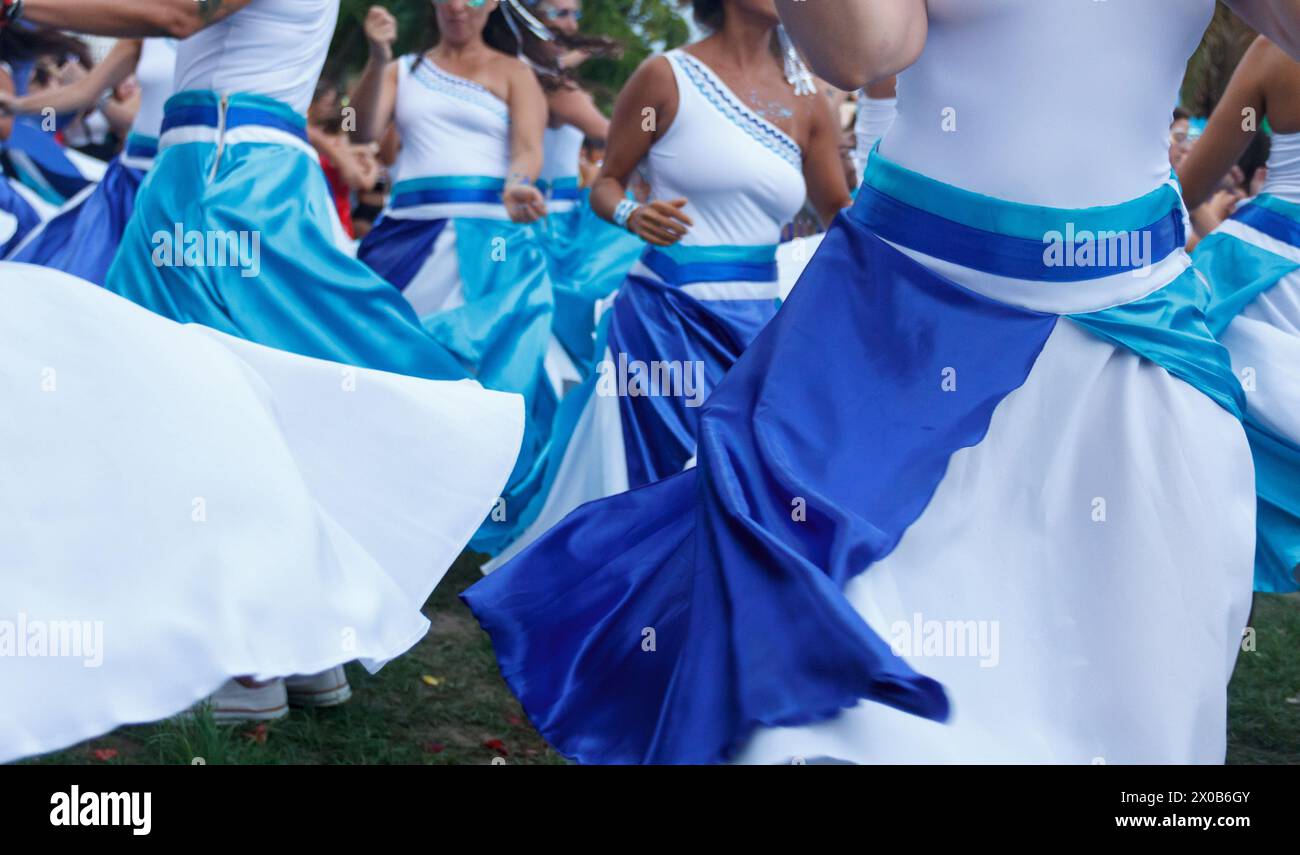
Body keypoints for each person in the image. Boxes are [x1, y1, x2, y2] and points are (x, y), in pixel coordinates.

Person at [463, 0, 1287, 764]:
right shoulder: (672, 76)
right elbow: (862, 46)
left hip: (1130, 341)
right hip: (900, 333)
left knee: (1138, 697)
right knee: (841, 694)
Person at [10, 0, 527, 719]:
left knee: (201, 398)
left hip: (230, 175)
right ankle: (304, 643)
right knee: (240, 391)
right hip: (207, 168)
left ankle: (255, 653)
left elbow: (184, 15)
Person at [477, 0, 851, 566]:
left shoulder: (808, 102)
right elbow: (608, 184)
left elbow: (839, 219)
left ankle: (714, 600)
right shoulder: (666, 75)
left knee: (748, 477)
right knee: (662, 476)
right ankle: (634, 591)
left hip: (759, 326)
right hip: (663, 320)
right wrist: (632, 214)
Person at [351, 1, 559, 556]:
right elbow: (362, 126)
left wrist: (518, 184)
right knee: (390, 365)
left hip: (487, 243)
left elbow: (529, 149)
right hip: (406, 238)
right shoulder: (405, 70)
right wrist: (377, 55)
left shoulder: (516, 73)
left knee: (481, 373)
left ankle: (468, 500)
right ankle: (388, 497)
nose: (457, 4)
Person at [1179, 34, 1300, 594]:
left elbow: (1192, 186)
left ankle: (1211, 662)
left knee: (1216, 501)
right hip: (1262, 270)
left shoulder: (1278, 37)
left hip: (1255, 275)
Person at [527, 0, 645, 375]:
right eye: (558, 12)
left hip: (548, 218)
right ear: (528, 17)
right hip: (549, 227)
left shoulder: (523, 74)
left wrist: (578, 55)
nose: (570, 23)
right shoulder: (552, 87)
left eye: (575, 14)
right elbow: (616, 137)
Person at [1, 38, 176, 283]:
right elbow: (51, 125)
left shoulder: (126, 93)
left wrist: (94, 100)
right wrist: (34, 107)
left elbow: (126, 121)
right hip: (78, 156)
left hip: (127, 164)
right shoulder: (47, 105)